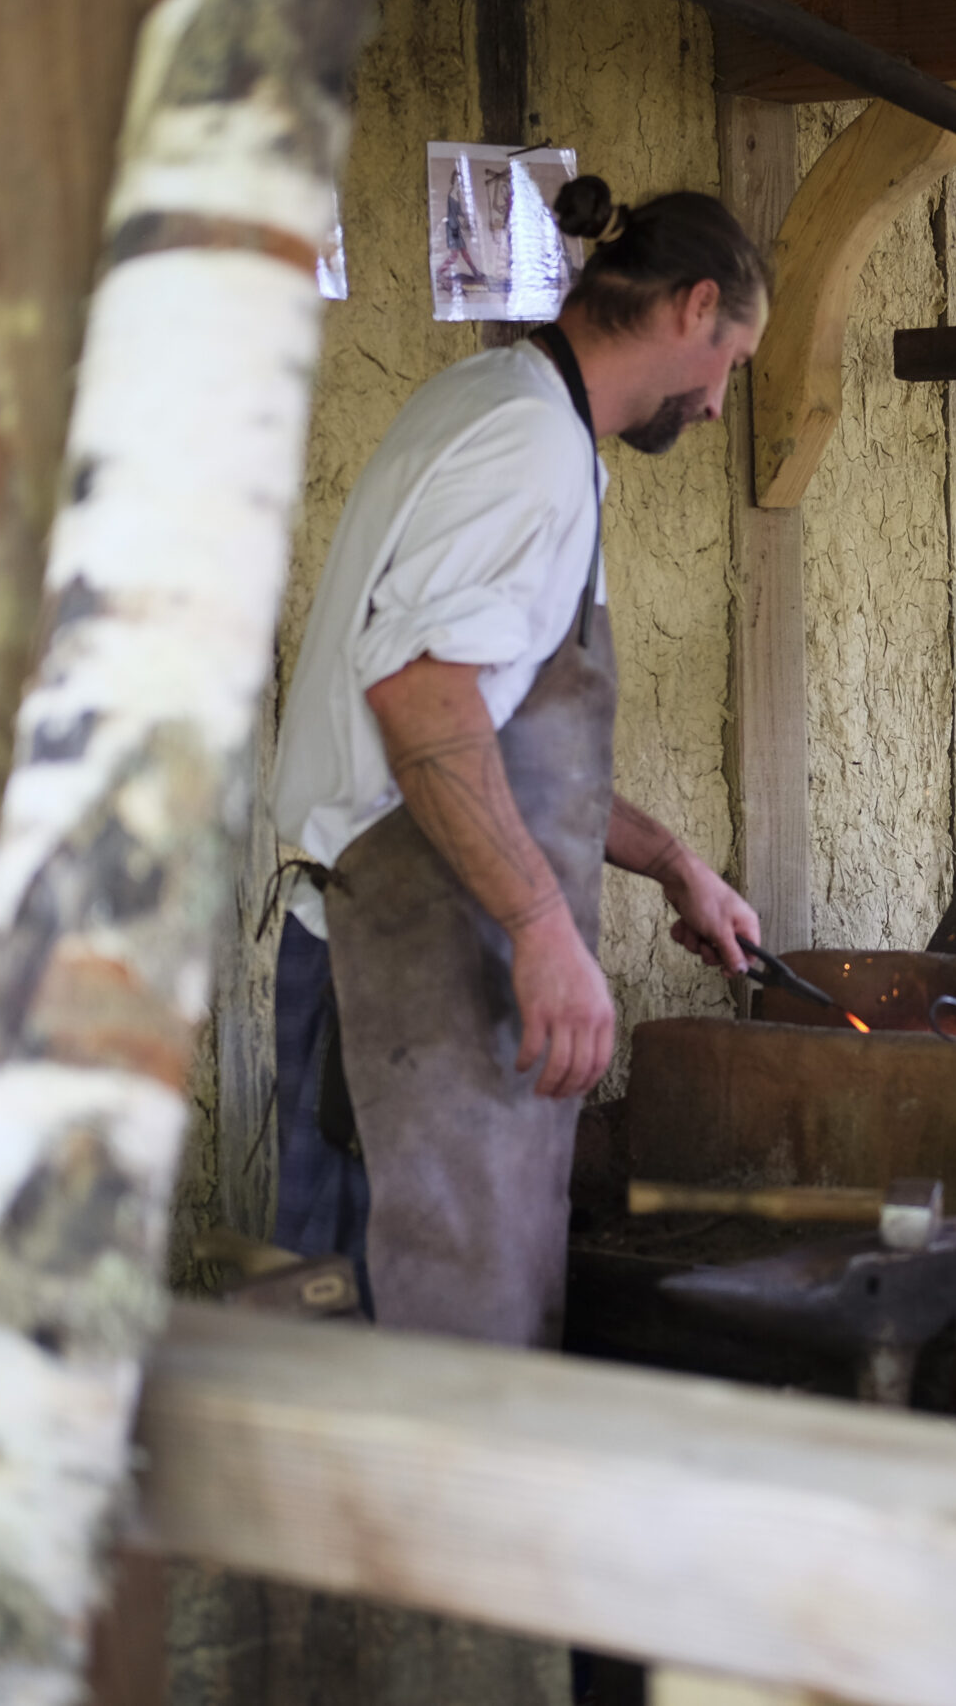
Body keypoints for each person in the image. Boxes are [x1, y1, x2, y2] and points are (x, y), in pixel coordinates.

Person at [268, 175, 770, 1349]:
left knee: (432, 1342)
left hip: (422, 952)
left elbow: (508, 746)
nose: (711, 407)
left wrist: (673, 863)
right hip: (390, 969)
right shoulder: (526, 447)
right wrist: (546, 929)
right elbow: (425, 703)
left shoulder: (506, 407)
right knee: (374, 1348)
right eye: (732, 364)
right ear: (695, 308)